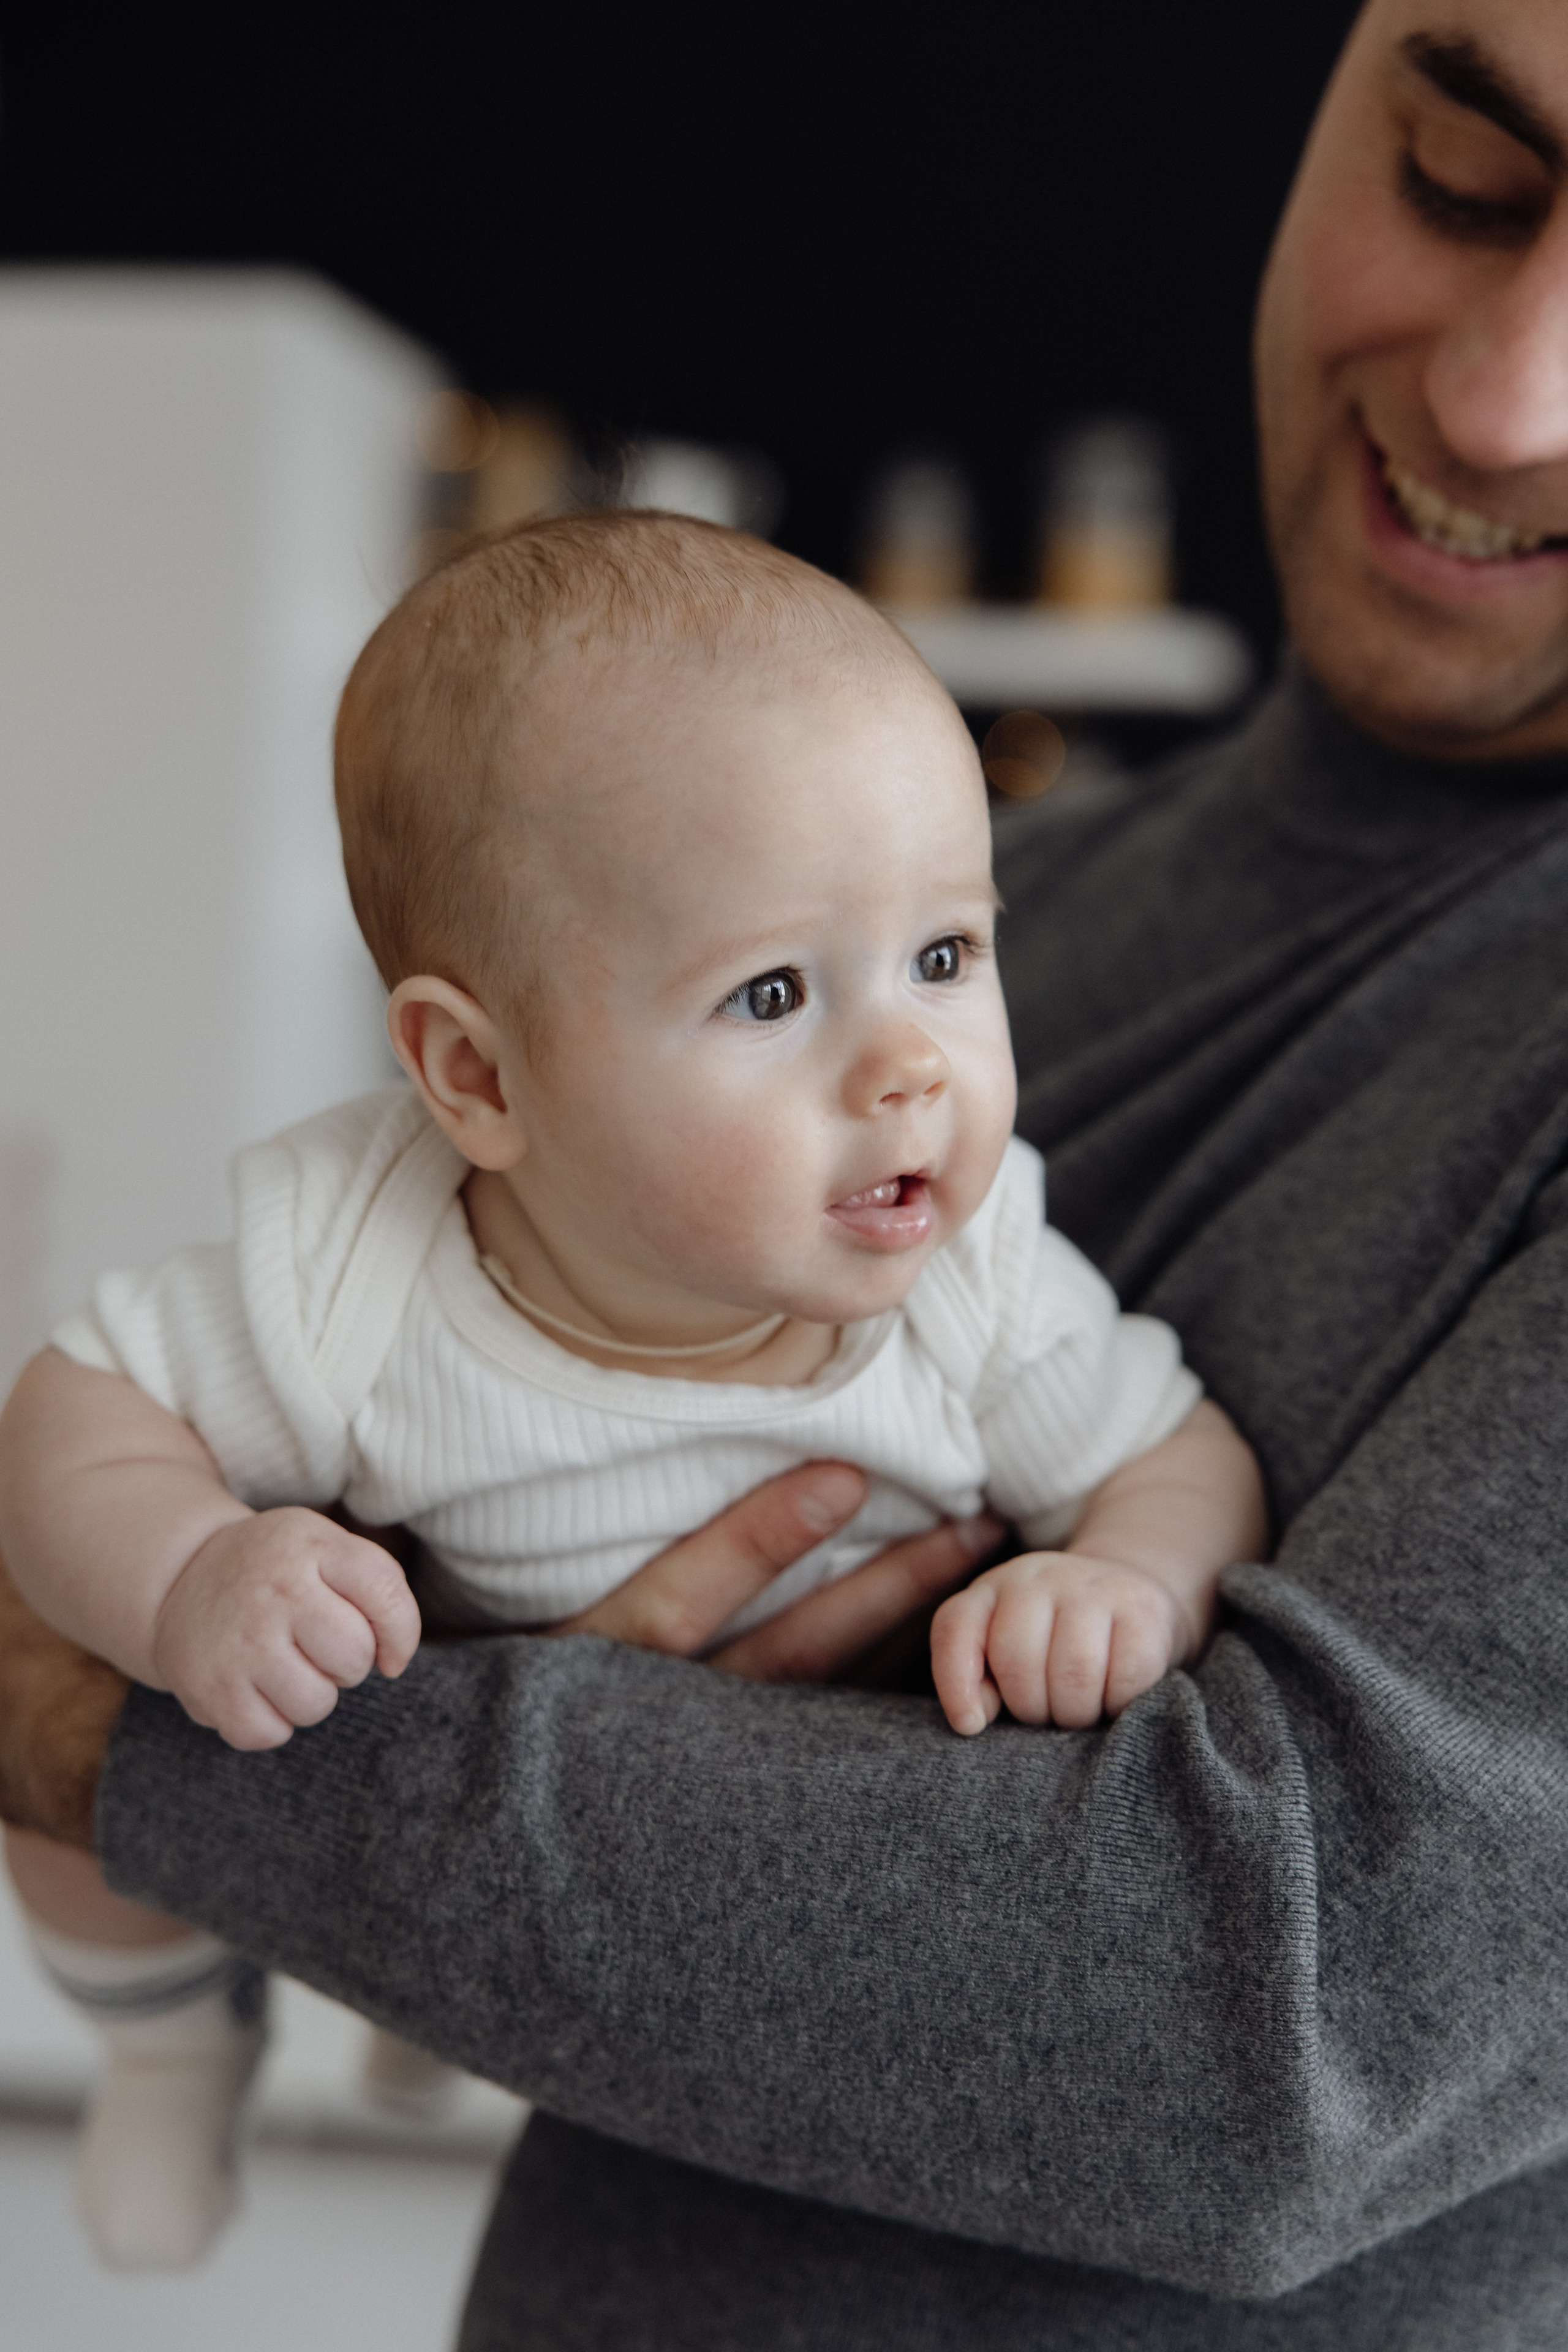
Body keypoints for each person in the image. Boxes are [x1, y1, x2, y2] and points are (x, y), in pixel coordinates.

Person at [4, 0, 1568, 2339]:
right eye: (1458, 171)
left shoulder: (971, 1236)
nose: (1498, 401)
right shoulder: (998, 924)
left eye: (946, 960)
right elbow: (94, 1435)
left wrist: (110, 1718)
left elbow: (1264, 2036)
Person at [0, 511, 1265, 2267]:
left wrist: (1120, 1572)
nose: (910, 1065)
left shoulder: (971, 1289)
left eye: (947, 958)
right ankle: (164, 2054)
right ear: (478, 1076)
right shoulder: (361, 1266)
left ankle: (413, 2004)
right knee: (69, 1806)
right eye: (771, 991)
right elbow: (73, 1411)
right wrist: (191, 1569)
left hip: (670, 1891)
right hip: (389, 1695)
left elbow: (1177, 1454)